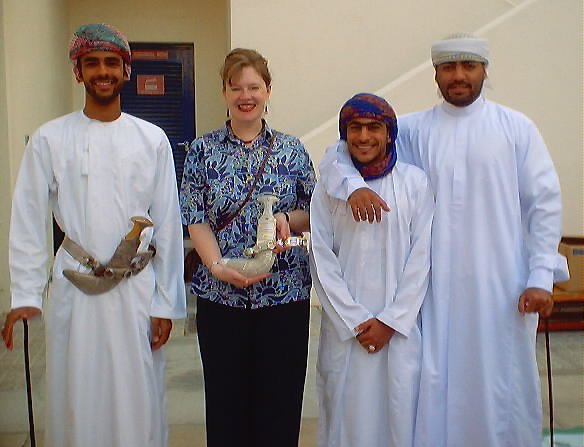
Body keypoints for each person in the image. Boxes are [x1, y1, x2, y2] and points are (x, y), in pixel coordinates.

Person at [319, 34, 569, 447]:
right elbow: (340, 153)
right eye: (448, 68)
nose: (458, 76)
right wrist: (351, 187)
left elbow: (543, 205)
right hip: (432, 294)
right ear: (435, 73)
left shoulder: (516, 129)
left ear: (484, 71)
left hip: (500, 289)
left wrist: (540, 276)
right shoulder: (415, 130)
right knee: (431, 391)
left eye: (468, 66)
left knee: (498, 387)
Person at [1, 24, 186, 447]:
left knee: (137, 395)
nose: (102, 71)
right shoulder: (50, 138)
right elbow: (28, 217)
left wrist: (166, 303)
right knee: (75, 393)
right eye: (91, 63)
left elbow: (169, 226)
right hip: (74, 290)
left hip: (135, 292)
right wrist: (26, 296)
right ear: (78, 73)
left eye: (110, 63)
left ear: (125, 71)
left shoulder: (152, 140)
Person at [179, 48, 316, 447]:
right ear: (223, 92)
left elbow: (315, 208)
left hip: (283, 297)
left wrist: (291, 221)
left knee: (281, 403)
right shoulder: (202, 152)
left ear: (268, 90)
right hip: (220, 298)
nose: (245, 94)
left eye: (254, 86)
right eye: (235, 86)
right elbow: (196, 216)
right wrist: (217, 265)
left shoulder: (292, 150)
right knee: (226, 405)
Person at [310, 93, 433, 447]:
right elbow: (321, 257)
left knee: (399, 420)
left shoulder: (415, 183)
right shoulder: (329, 190)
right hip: (346, 334)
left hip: (399, 333)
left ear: (389, 133)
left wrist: (390, 321)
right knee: (344, 423)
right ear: (344, 133)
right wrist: (355, 321)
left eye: (373, 127)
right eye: (355, 128)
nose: (364, 137)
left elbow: (421, 258)